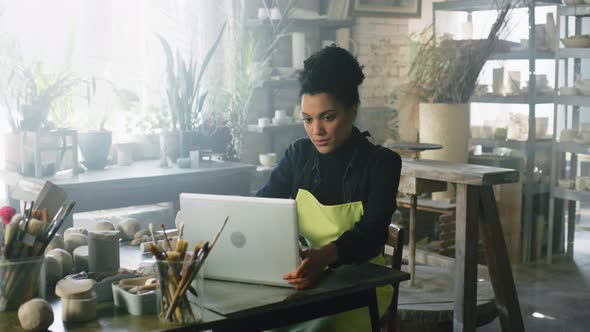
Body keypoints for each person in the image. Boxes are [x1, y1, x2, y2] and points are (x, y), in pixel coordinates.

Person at [256, 45, 402, 331]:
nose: (316, 131)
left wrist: (324, 257)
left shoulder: (381, 163)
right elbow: (262, 206)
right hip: (305, 277)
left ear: (352, 110)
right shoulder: (297, 155)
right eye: (308, 119)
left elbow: (372, 235)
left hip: (359, 285)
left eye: (328, 117)